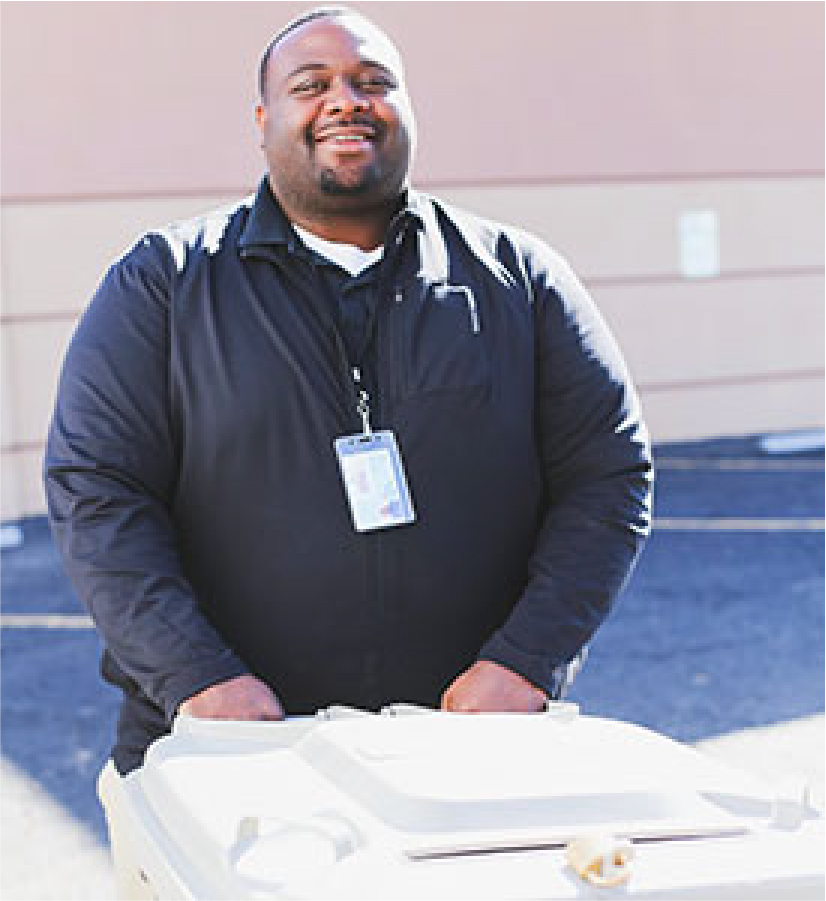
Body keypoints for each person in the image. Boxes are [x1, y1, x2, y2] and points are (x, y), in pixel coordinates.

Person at [44, 6, 653, 776]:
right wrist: (195, 677)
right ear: (264, 120)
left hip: (472, 742)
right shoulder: (163, 284)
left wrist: (526, 662)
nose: (346, 99)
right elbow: (98, 489)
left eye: (374, 81)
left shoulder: (519, 280)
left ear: (407, 111)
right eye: (312, 83)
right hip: (227, 748)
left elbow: (607, 476)